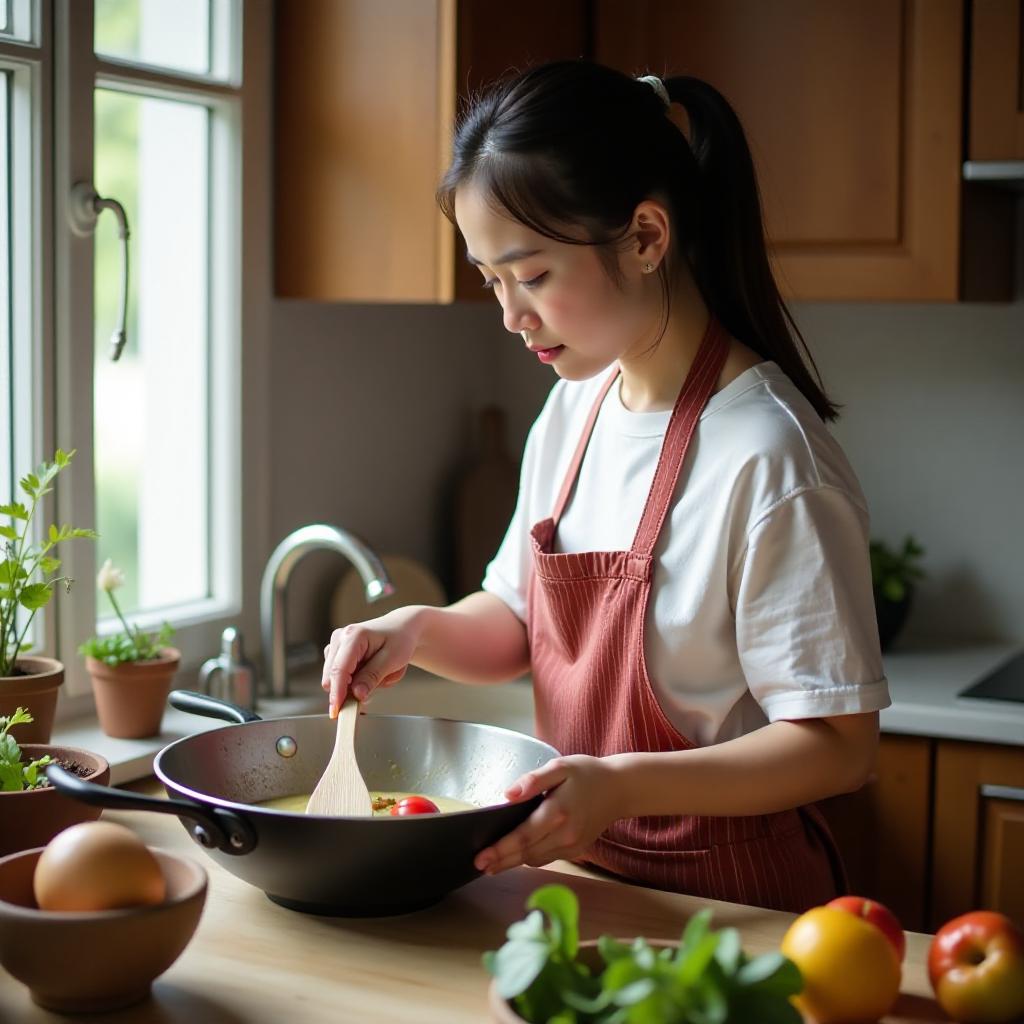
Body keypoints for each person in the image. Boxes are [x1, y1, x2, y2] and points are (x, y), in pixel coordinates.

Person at [321, 60, 890, 913]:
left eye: (533, 275)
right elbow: (516, 623)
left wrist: (619, 787)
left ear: (647, 237)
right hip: (582, 884)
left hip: (738, 911)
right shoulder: (573, 412)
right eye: (492, 281)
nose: (511, 314)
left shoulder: (769, 458)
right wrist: (414, 630)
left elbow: (839, 748)